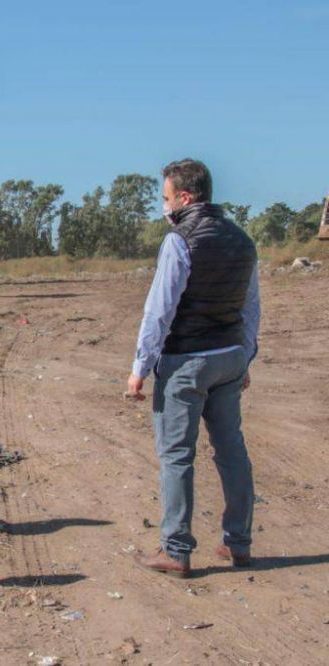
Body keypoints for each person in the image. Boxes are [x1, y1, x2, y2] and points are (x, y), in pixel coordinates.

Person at [126, 159, 260, 578]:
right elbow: (251, 307)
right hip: (230, 358)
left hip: (187, 361)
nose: (163, 206)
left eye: (165, 198)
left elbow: (159, 311)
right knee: (231, 450)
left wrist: (140, 368)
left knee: (177, 456)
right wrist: (246, 355)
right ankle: (238, 543)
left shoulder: (179, 240)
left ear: (184, 197)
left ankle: (176, 550)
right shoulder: (242, 240)